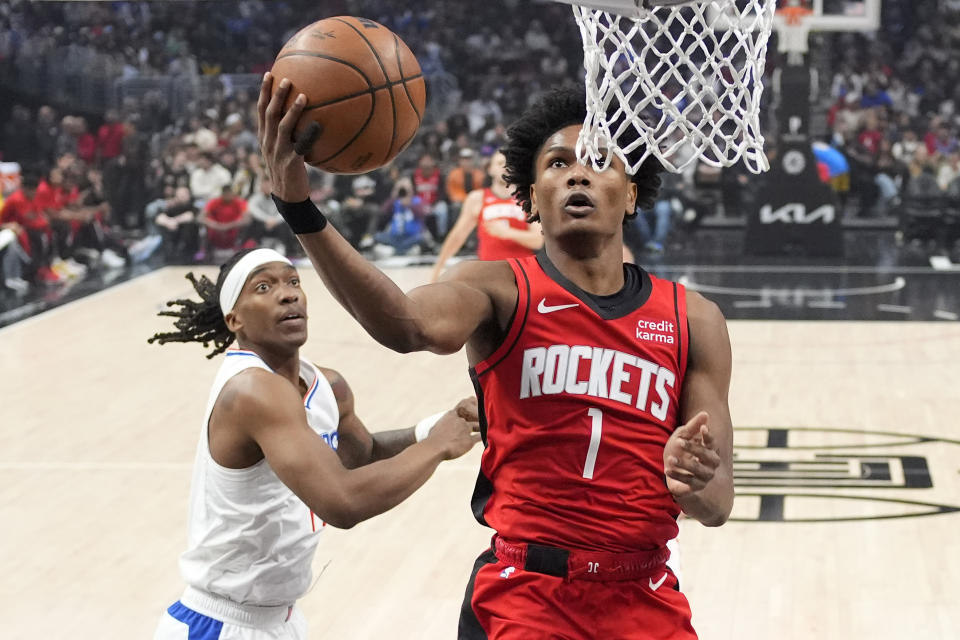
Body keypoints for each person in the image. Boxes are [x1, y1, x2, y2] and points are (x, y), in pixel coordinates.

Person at [261, 76, 735, 637]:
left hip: (645, 597)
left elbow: (719, 501)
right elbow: (406, 325)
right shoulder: (497, 290)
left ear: (631, 193)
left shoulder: (694, 319)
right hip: (525, 598)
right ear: (533, 197)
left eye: (600, 161)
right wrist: (300, 210)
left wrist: (692, 479)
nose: (578, 172)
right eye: (557, 164)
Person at [148, 246, 481, 639]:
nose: (288, 294)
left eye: (293, 282)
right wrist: (437, 447)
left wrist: (429, 429)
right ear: (233, 319)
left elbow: (361, 457)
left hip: (281, 621)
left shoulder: (326, 385)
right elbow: (343, 502)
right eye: (263, 286)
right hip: (222, 624)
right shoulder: (252, 390)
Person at [430, 150, 543, 282]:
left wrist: (506, 232)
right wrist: (439, 266)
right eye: (500, 163)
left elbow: (537, 240)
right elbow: (457, 236)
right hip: (488, 275)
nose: (506, 167)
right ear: (490, 169)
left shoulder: (529, 199)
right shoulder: (477, 198)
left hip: (521, 275)